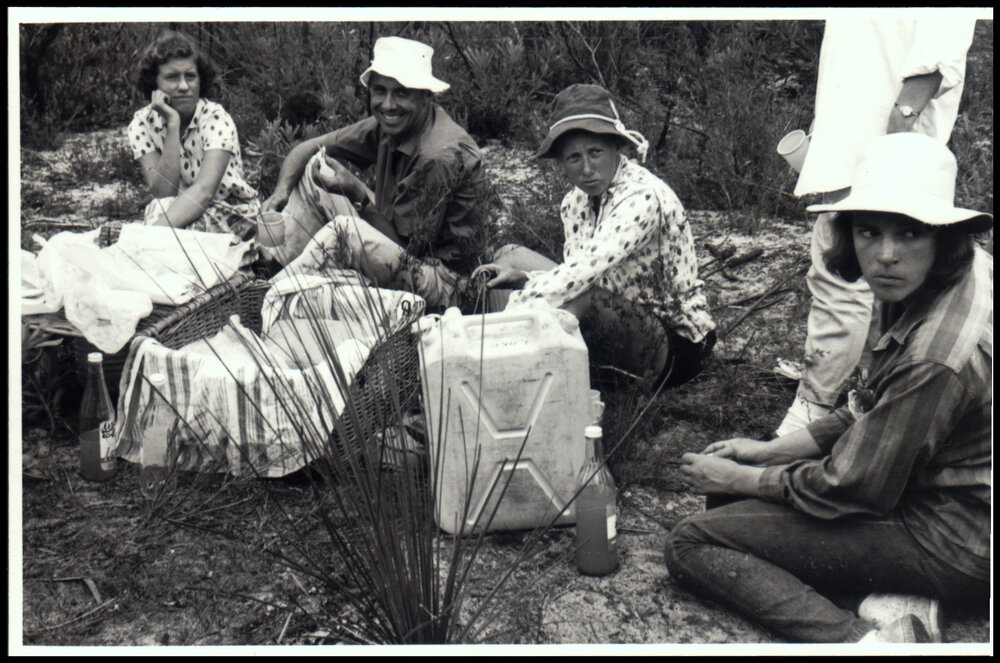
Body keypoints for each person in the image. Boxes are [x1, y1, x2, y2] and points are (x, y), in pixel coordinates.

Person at [665, 133, 992, 643]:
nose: (885, 255)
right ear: (849, 234)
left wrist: (740, 478)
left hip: (959, 538)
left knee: (692, 542)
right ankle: (891, 597)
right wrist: (768, 452)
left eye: (909, 234)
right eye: (869, 232)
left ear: (942, 237)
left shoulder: (936, 353)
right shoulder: (952, 273)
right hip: (944, 494)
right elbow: (875, 409)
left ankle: (866, 644)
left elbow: (852, 486)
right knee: (734, 507)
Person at [776, 18, 977, 436]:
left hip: (885, 144)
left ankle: (809, 412)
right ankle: (871, 407)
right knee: (872, 289)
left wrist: (901, 124)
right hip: (847, 137)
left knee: (843, 284)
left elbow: (942, 41)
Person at [472, 84, 716, 389]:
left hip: (673, 341)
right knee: (509, 255)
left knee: (572, 298)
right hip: (617, 306)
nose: (587, 169)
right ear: (561, 163)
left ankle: (510, 378)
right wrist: (522, 275)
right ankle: (500, 364)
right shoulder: (574, 202)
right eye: (574, 158)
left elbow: (583, 277)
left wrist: (516, 306)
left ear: (617, 148)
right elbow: (579, 275)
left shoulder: (642, 198)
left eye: (595, 153)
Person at [262, 36, 490, 310]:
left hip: (449, 285)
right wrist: (280, 193)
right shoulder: (393, 124)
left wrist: (358, 193)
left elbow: (405, 255)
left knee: (344, 231)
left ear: (426, 96)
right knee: (315, 170)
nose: (388, 104)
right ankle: (272, 268)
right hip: (405, 246)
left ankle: (271, 297)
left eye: (402, 92)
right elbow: (309, 148)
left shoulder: (437, 156)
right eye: (380, 91)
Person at [128, 30, 259, 239]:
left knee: (180, 237)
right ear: (155, 85)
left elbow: (205, 191)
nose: (183, 86)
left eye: (190, 76)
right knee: (159, 209)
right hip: (179, 208)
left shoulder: (216, 118)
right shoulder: (141, 124)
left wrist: (152, 235)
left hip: (229, 210)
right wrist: (172, 124)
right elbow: (164, 193)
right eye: (172, 77)